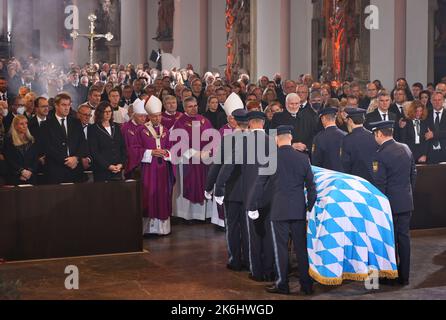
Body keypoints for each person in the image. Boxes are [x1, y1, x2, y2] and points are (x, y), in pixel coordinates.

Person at [247, 125, 316, 295]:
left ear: (276, 139)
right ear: (291, 138)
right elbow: (312, 187)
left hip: (279, 210)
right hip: (298, 210)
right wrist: (309, 207)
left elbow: (259, 185)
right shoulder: (303, 158)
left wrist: (252, 206)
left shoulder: (271, 158)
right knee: (301, 248)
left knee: (281, 248)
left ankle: (282, 284)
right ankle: (306, 285)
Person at [216, 111, 276, 282]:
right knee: (268, 232)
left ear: (250, 124)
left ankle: (256, 271)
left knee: (254, 233)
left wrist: (219, 188)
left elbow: (228, 167)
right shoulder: (273, 141)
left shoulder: (244, 142)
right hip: (270, 195)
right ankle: (269, 269)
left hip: (250, 195)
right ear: (263, 124)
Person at [206, 93, 249, 269]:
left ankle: (235, 260)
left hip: (232, 191)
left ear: (234, 120)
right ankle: (249, 259)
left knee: (232, 227)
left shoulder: (228, 139)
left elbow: (218, 166)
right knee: (247, 228)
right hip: (250, 192)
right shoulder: (259, 140)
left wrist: (210, 186)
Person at [371, 120, 417, 286]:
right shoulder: (406, 148)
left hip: (389, 205)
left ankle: (391, 275)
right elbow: (413, 175)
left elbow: (380, 184)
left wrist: (379, 207)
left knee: (389, 240)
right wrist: (407, 194)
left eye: (374, 134)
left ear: (379, 134)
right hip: (406, 201)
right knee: (404, 239)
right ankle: (404, 276)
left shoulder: (380, 154)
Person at [171, 96, 214, 221]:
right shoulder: (180, 122)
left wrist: (208, 151)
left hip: (204, 161)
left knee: (204, 184)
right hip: (188, 160)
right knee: (189, 185)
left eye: (195, 106)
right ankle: (188, 216)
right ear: (184, 108)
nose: (193, 108)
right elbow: (178, 143)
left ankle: (203, 215)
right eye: (190, 106)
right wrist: (195, 154)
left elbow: (213, 138)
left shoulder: (204, 120)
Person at [138, 95, 176, 236]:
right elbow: (135, 150)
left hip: (163, 170)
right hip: (149, 170)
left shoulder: (166, 131)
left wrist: (166, 153)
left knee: (163, 195)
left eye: (159, 116)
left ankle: (163, 229)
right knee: (149, 196)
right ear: (149, 116)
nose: (157, 119)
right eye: (154, 116)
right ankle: (148, 229)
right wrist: (151, 152)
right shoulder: (142, 131)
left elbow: (171, 148)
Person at [40, 93, 88, 184]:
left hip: (75, 170)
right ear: (56, 105)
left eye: (69, 105)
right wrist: (66, 161)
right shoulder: (46, 125)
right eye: (63, 105)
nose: (67, 108)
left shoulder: (76, 123)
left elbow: (83, 144)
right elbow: (47, 148)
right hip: (55, 171)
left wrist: (76, 158)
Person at [88, 101, 127, 182]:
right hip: (102, 170)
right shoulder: (93, 128)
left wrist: (121, 164)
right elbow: (94, 152)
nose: (108, 114)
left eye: (109, 111)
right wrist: (108, 166)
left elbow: (122, 147)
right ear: (99, 113)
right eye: (105, 112)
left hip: (118, 169)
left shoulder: (116, 126)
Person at [341, 108, 378, 182]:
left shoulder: (347, 139)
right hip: (373, 179)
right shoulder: (373, 136)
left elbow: (345, 163)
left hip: (355, 181)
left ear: (350, 121)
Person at [3, 115, 41, 185]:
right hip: (14, 177)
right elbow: (9, 160)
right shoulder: (8, 140)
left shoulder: (32, 140)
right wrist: (22, 172)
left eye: (26, 123)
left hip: (31, 177)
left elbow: (35, 159)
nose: (25, 126)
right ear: (15, 126)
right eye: (21, 124)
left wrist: (29, 172)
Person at [121, 99, 147, 178]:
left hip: (145, 162)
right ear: (134, 115)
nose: (143, 118)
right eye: (140, 116)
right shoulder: (125, 128)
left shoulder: (147, 127)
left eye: (145, 116)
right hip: (131, 162)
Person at [425, 91, 446, 164]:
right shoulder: (425, 114)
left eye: (439, 100)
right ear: (431, 101)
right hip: (429, 153)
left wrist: (434, 134)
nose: (437, 102)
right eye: (434, 100)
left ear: (443, 101)